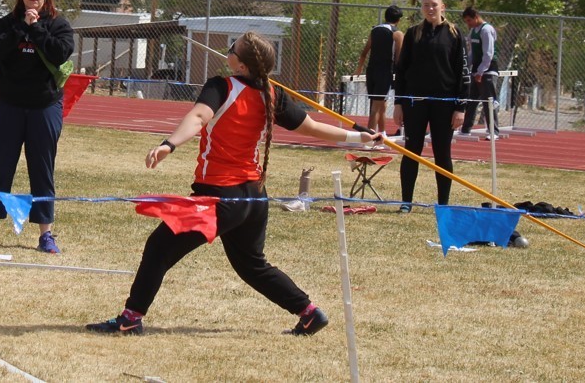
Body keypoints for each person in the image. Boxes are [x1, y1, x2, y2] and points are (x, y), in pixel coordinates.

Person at [86, 31, 381, 336]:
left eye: (232, 49)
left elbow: (200, 116)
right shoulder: (271, 94)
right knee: (251, 265)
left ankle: (130, 319)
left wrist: (168, 144)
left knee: (159, 247)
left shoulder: (222, 86)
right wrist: (359, 137)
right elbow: (313, 128)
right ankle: (309, 313)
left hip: (221, 199)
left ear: (241, 66)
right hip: (253, 199)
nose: (227, 52)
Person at [0, 0, 75, 254]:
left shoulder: (58, 24)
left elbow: (59, 53)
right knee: (1, 166)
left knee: (42, 170)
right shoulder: (6, 23)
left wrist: (37, 28)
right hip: (9, 105)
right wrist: (21, 28)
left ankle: (46, 234)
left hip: (44, 106)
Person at [392, 0, 469, 211]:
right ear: (422, 8)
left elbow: (463, 73)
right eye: (426, 5)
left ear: (443, 7)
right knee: (411, 151)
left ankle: (443, 204)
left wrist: (460, 107)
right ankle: (406, 202)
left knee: (442, 153)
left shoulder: (454, 34)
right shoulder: (413, 33)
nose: (430, 9)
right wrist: (399, 103)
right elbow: (401, 70)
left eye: (434, 5)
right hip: (415, 102)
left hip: (445, 104)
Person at [355, 5, 404, 135]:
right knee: (376, 108)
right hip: (385, 72)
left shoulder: (374, 30)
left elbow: (364, 53)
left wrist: (358, 70)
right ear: (398, 20)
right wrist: (400, 76)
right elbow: (399, 58)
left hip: (371, 71)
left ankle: (382, 133)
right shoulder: (397, 34)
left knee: (381, 104)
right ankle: (369, 138)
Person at [460, 6, 500, 140]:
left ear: (476, 17)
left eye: (469, 20)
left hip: (487, 71)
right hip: (476, 70)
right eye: (466, 21)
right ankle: (466, 129)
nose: (468, 24)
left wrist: (481, 71)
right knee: (471, 101)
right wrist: (466, 65)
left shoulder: (486, 30)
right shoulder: (473, 31)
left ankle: (493, 131)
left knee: (488, 102)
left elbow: (488, 53)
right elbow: (472, 52)